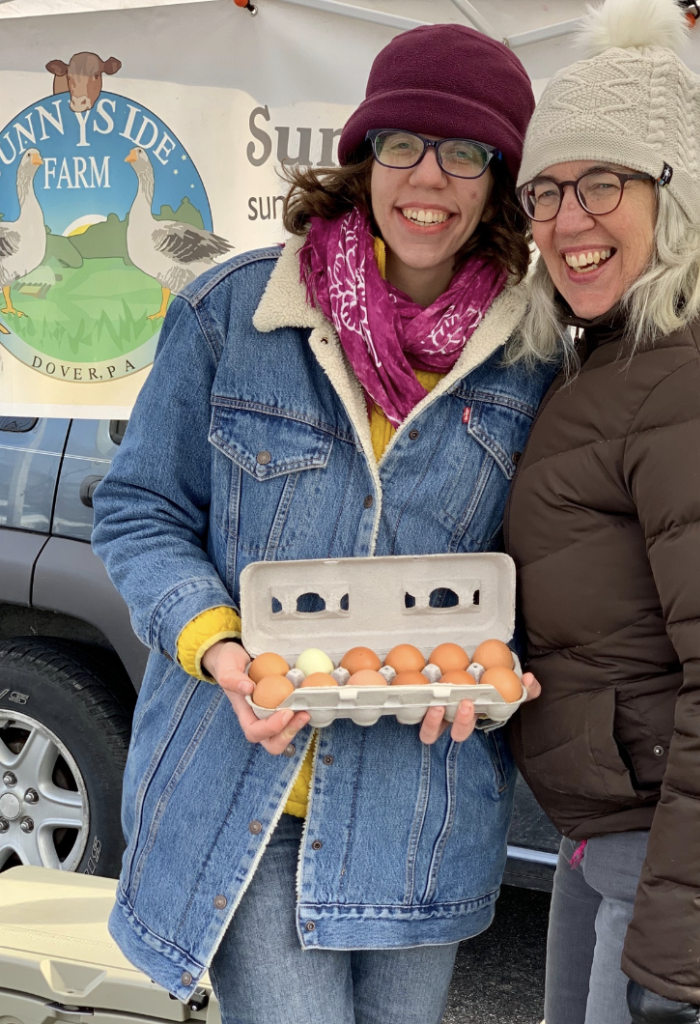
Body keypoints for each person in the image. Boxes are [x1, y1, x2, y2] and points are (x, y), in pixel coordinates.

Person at [91, 22, 552, 1024]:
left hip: (419, 805)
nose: (426, 177)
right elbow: (139, 510)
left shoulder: (533, 359)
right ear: (361, 156)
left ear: (497, 179)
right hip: (244, 791)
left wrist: (497, 667)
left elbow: (545, 565)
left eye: (463, 152)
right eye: (401, 144)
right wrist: (217, 649)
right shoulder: (234, 313)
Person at [503, 1, 700, 1023]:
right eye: (544, 190)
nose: (566, 219)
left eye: (602, 183)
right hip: (617, 825)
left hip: (698, 852)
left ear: (670, 197)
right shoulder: (615, 349)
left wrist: (678, 965)